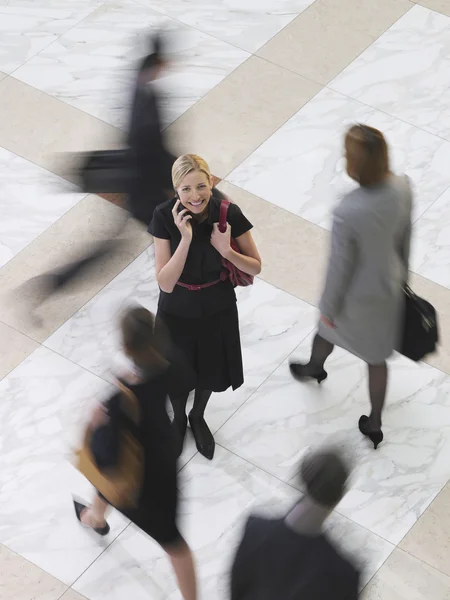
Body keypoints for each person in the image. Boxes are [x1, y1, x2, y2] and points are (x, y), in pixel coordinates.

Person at [19, 33, 174, 313]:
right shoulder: (147, 98)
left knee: (115, 245)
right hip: (143, 188)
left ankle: (51, 284)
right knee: (173, 236)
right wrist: (179, 172)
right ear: (161, 62)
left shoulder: (137, 84)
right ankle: (186, 296)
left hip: (137, 183)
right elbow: (149, 149)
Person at [290, 124, 412, 449]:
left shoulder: (349, 210)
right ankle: (374, 423)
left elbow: (339, 269)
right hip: (388, 290)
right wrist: (403, 277)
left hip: (354, 300)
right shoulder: (402, 187)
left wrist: (328, 308)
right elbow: (405, 236)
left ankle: (316, 368)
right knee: (376, 359)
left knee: (326, 330)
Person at [74, 306, 197, 600]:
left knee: (111, 484)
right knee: (173, 540)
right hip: (163, 464)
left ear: (125, 347)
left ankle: (94, 519)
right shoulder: (174, 363)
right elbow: (184, 383)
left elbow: (106, 458)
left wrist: (97, 423)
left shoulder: (121, 397)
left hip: (139, 483)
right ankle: (95, 518)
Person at [149, 154, 262, 460]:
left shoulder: (229, 213)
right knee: (175, 371)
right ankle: (179, 419)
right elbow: (165, 283)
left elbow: (255, 267)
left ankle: (197, 416)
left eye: (201, 186)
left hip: (217, 305)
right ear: (176, 190)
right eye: (186, 189)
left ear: (211, 182)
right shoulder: (163, 216)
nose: (195, 195)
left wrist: (226, 249)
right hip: (177, 307)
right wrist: (184, 239)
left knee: (210, 369)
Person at [230, 447, 360, 600]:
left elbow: (236, 590)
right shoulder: (344, 574)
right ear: (340, 495)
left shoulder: (255, 529)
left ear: (303, 477)